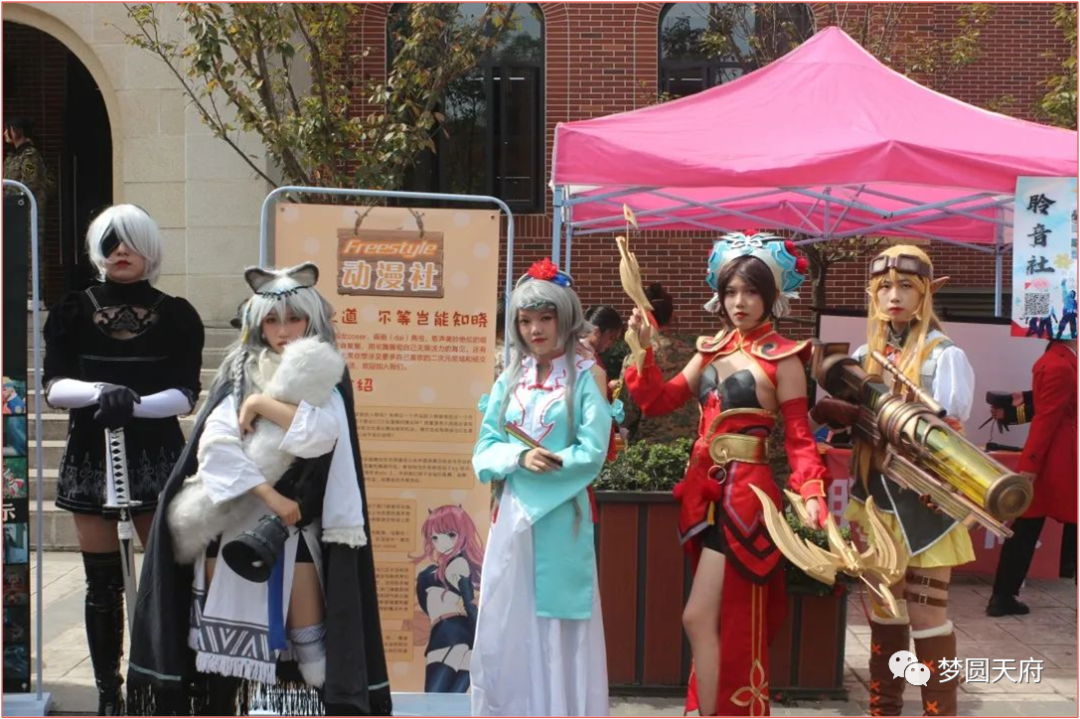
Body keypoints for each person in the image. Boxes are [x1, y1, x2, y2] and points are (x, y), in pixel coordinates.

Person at [127, 264, 391, 717]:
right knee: (221, 658)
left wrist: (260, 403)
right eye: (272, 320)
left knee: (310, 655)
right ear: (257, 324)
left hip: (297, 529)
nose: (283, 330)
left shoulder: (324, 374)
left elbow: (322, 434)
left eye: (294, 319)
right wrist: (271, 497)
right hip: (231, 523)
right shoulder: (237, 372)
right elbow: (215, 449)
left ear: (312, 320)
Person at [624, 233, 829, 717]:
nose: (740, 302)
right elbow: (659, 401)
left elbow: (799, 437)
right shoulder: (711, 350)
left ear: (770, 297)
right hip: (706, 497)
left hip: (747, 501)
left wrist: (812, 493)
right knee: (706, 618)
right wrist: (641, 350)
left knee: (725, 618)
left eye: (751, 292)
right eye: (732, 291)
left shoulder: (784, 357)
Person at [41, 204, 203, 716]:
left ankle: (167, 689)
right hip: (91, 454)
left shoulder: (177, 314)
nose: (121, 251)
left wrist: (135, 403)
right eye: (110, 242)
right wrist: (98, 392)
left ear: (149, 247)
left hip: (158, 456)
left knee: (166, 581)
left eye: (130, 241)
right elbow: (53, 386)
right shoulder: (72, 310)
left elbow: (186, 392)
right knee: (102, 584)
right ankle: (109, 695)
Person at [814, 245, 975, 718]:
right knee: (885, 612)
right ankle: (883, 711)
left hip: (926, 503)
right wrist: (836, 417)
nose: (894, 296)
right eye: (884, 287)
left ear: (924, 293)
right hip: (875, 499)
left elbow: (951, 435)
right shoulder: (863, 356)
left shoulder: (945, 355)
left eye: (906, 286)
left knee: (928, 616)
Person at [471, 258, 615, 716]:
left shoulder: (586, 376)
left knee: (558, 622)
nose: (535, 329)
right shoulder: (509, 377)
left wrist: (544, 467)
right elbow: (485, 447)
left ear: (564, 317)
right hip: (512, 515)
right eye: (525, 320)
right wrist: (518, 457)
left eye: (545, 318)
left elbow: (592, 451)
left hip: (560, 514)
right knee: (506, 617)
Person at [987, 337, 1077, 615]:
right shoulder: (1059, 365)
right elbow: (1046, 418)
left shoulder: (1058, 360)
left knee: (1026, 526)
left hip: (1054, 457)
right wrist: (1031, 464)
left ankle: (1003, 595)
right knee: (1028, 526)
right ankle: (1003, 595)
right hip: (1059, 458)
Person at [412, 504, 484, 693]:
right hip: (462, 639)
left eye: (451, 535)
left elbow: (469, 605)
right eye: (435, 537)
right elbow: (469, 606)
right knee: (450, 702)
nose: (442, 543)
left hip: (446, 636)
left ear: (462, 534)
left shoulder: (456, 564)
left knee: (433, 702)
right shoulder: (438, 571)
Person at [618, 283, 698, 445]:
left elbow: (625, 414)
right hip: (689, 444)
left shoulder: (636, 358)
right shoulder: (694, 356)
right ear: (672, 315)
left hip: (647, 447)